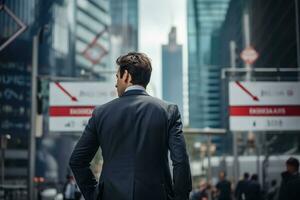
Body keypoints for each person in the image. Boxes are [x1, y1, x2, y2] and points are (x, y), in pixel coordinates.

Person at [69, 52, 192, 200]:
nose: (116, 83)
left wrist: (95, 195)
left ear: (126, 75)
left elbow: (77, 161)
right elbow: (181, 161)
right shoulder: (168, 111)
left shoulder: (101, 114)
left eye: (117, 77)